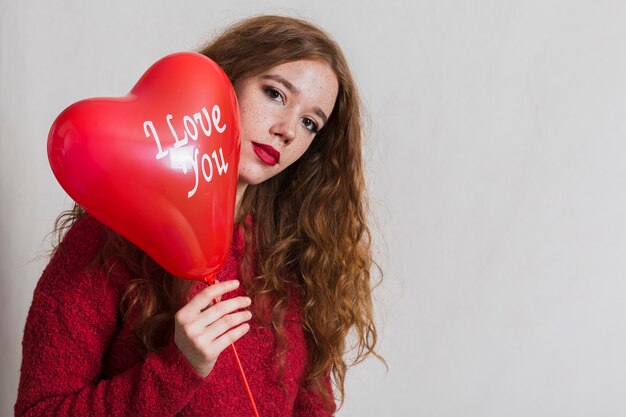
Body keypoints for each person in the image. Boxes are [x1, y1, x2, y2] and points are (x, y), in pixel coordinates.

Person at [15, 15, 380, 417]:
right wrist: (178, 368)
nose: (288, 130)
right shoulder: (107, 241)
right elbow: (39, 411)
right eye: (275, 94)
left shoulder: (297, 258)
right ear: (225, 81)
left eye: (310, 123)